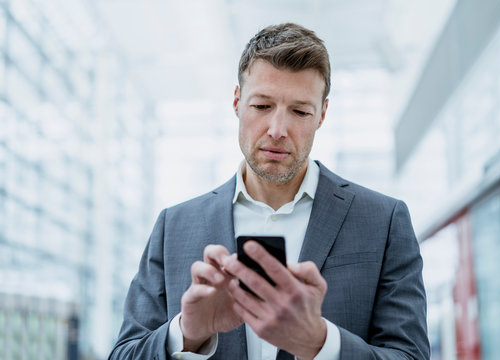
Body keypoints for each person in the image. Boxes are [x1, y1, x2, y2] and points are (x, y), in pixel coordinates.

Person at [109, 23, 429, 360]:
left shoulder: (384, 221)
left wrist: (321, 344)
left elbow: (410, 355)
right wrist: (186, 333)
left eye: (300, 111)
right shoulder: (173, 227)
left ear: (322, 115)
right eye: (262, 106)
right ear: (237, 102)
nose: (277, 131)